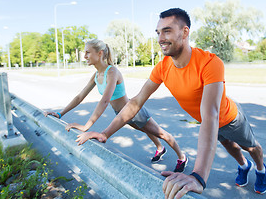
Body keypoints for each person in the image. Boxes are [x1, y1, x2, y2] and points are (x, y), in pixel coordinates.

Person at [84, 8, 266, 198]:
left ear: (185, 32)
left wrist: (198, 176)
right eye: (158, 32)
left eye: (167, 31)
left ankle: (261, 170)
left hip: (229, 118)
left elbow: (211, 115)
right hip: (211, 124)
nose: (160, 38)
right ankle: (244, 166)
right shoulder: (163, 67)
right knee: (230, 146)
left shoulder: (210, 63)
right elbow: (136, 102)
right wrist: (105, 133)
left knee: (251, 147)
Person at [44, 39, 187, 173]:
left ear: (100, 53)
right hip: (120, 114)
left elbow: (105, 101)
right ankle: (160, 148)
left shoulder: (111, 72)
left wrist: (86, 126)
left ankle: (182, 157)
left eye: (88, 52)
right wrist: (60, 114)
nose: (85, 56)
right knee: (146, 130)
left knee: (161, 133)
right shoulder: (96, 75)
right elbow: (80, 96)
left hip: (133, 111)